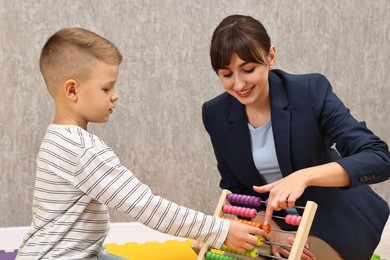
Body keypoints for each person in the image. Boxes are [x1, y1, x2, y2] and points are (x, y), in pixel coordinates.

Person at [16, 27, 266, 260]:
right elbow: (146, 207)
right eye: (106, 88)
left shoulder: (57, 137)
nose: (115, 95)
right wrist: (218, 230)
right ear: (72, 91)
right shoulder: (82, 150)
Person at [202, 14, 390, 260]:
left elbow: (379, 157)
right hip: (276, 228)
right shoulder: (215, 113)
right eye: (227, 75)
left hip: (335, 221)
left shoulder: (309, 91)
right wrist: (273, 233)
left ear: (270, 57)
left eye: (248, 70)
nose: (239, 85)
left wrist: (304, 177)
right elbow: (235, 187)